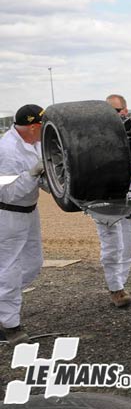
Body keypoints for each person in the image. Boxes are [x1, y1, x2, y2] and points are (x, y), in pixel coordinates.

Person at [0, 104, 45, 345]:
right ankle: (10, 326)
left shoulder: (34, 142)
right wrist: (33, 173)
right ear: (34, 127)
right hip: (8, 215)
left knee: (33, 262)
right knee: (9, 268)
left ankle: (4, 307)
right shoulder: (7, 151)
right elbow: (10, 192)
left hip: (29, 211)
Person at [94, 94, 131, 308]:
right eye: (109, 112)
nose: (115, 116)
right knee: (112, 242)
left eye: (118, 111)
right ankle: (116, 289)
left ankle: (122, 282)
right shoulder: (95, 136)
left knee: (128, 241)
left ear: (125, 111)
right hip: (104, 193)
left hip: (128, 190)